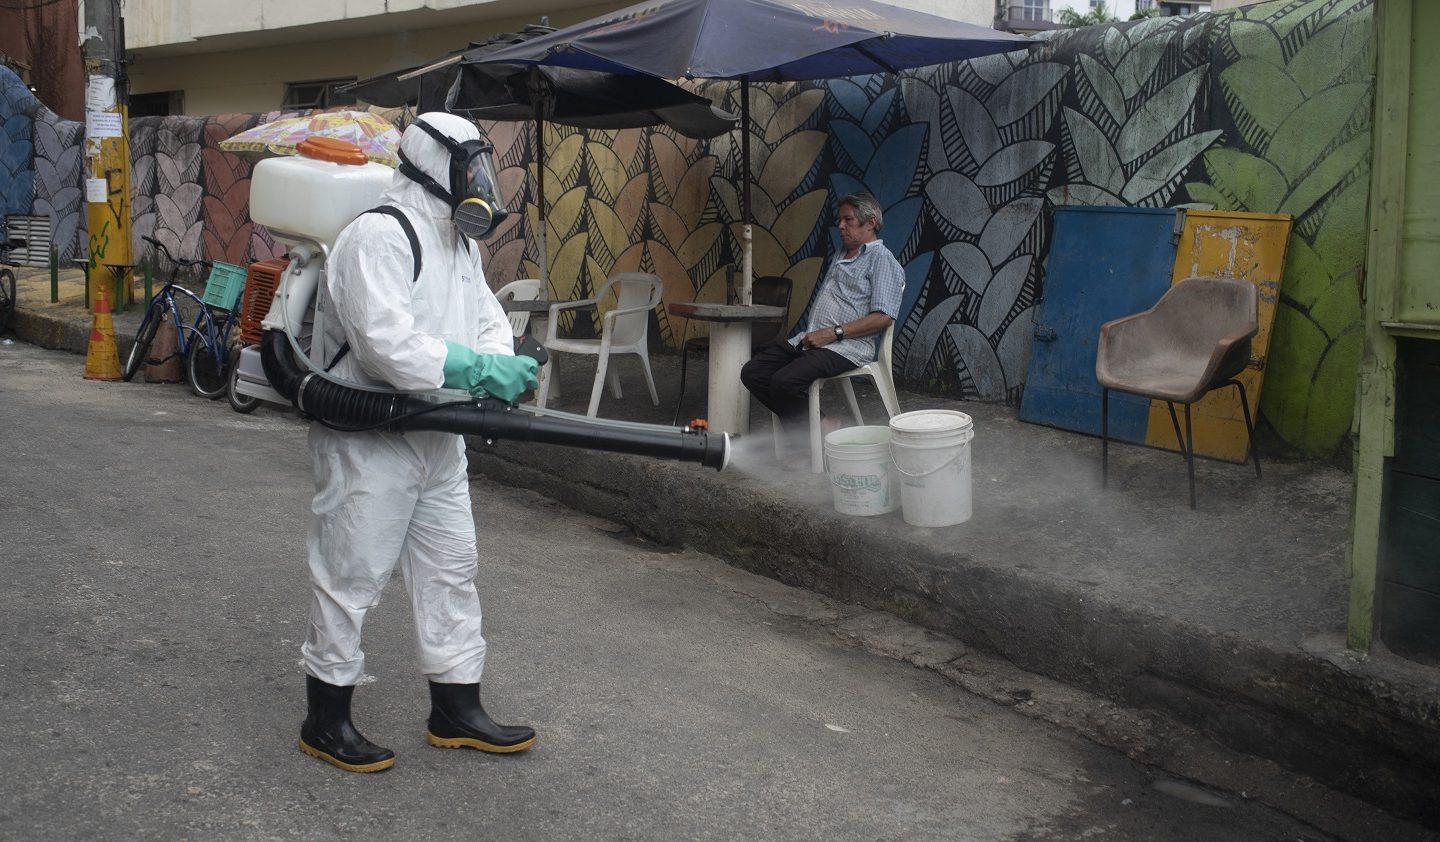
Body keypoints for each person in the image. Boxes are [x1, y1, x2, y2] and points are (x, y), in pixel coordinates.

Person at [297, 112, 541, 774]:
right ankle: (326, 720)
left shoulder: (462, 245)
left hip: (439, 438)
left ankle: (456, 708)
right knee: (350, 576)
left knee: (452, 571)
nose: (482, 182)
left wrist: (496, 364)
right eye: (471, 168)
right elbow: (387, 347)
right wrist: (473, 368)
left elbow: (489, 319)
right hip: (370, 439)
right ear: (437, 168)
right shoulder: (377, 236)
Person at [741, 191, 904, 469]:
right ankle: (821, 425)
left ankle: (806, 446)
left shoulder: (882, 260)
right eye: (839, 219)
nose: (840, 225)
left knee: (784, 382)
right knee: (753, 372)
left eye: (848, 220)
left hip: (846, 346)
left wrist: (834, 333)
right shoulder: (842, 254)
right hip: (812, 339)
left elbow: (883, 318)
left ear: (871, 223)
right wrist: (820, 334)